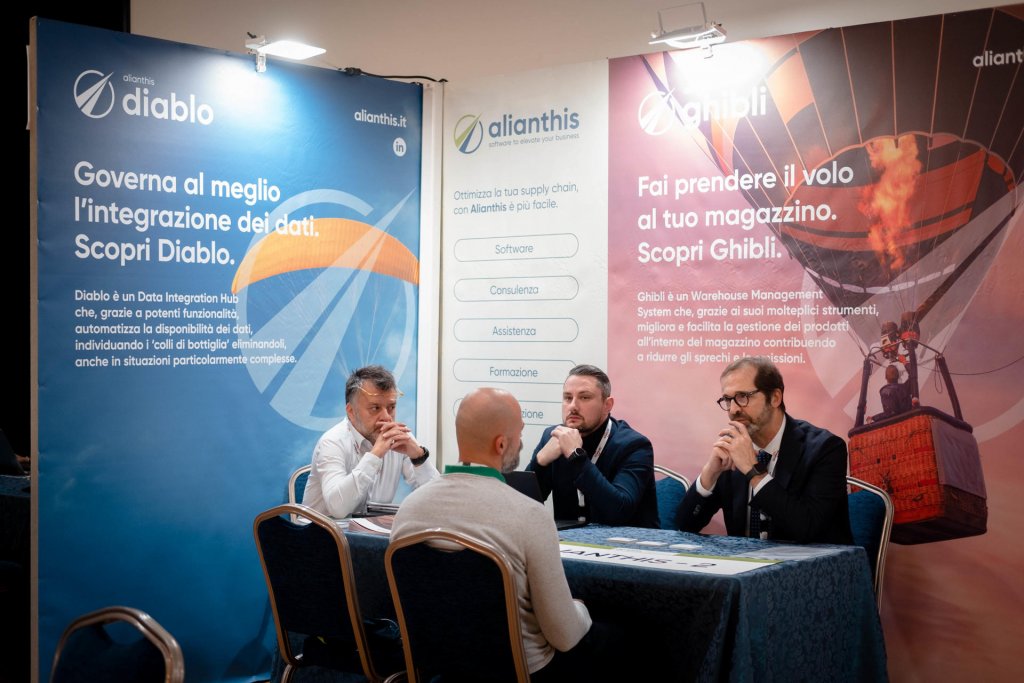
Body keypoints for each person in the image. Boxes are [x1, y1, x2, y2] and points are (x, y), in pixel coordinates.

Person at [392, 387, 612, 681]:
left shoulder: (408, 510)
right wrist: (580, 609)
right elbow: (564, 636)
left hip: (440, 668)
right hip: (526, 671)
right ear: (501, 444)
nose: (521, 442)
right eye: (519, 434)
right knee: (620, 639)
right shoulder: (530, 515)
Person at [675, 356, 852, 544]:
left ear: (775, 398)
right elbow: (684, 526)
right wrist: (709, 473)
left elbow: (807, 529)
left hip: (811, 561)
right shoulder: (733, 448)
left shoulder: (825, 449)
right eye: (727, 399)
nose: (733, 409)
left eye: (743, 397)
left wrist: (753, 471)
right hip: (744, 561)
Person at [526, 365, 658, 528]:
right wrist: (540, 462)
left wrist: (576, 456)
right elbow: (520, 506)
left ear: (607, 405)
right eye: (568, 398)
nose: (573, 406)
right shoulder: (553, 437)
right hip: (568, 541)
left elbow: (619, 511)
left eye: (584, 397)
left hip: (625, 541)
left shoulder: (634, 446)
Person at [302, 365, 438, 518]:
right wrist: (375, 455)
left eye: (391, 407)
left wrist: (419, 457)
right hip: (319, 531)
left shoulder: (401, 439)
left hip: (370, 531)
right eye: (375, 408)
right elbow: (338, 509)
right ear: (351, 412)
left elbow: (438, 502)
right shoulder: (332, 442)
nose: (386, 417)